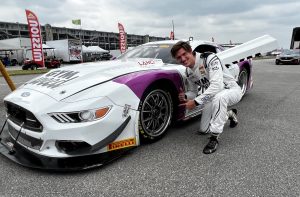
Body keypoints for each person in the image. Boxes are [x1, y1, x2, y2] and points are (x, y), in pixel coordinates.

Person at [170, 41, 242, 154]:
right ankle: (229, 114)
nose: (183, 59)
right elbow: (193, 92)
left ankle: (214, 138)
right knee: (204, 129)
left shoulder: (208, 58)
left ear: (190, 51)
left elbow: (217, 86)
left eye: (184, 54)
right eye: (178, 57)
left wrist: (196, 102)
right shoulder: (188, 72)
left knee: (220, 97)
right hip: (212, 96)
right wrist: (185, 96)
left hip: (231, 90)